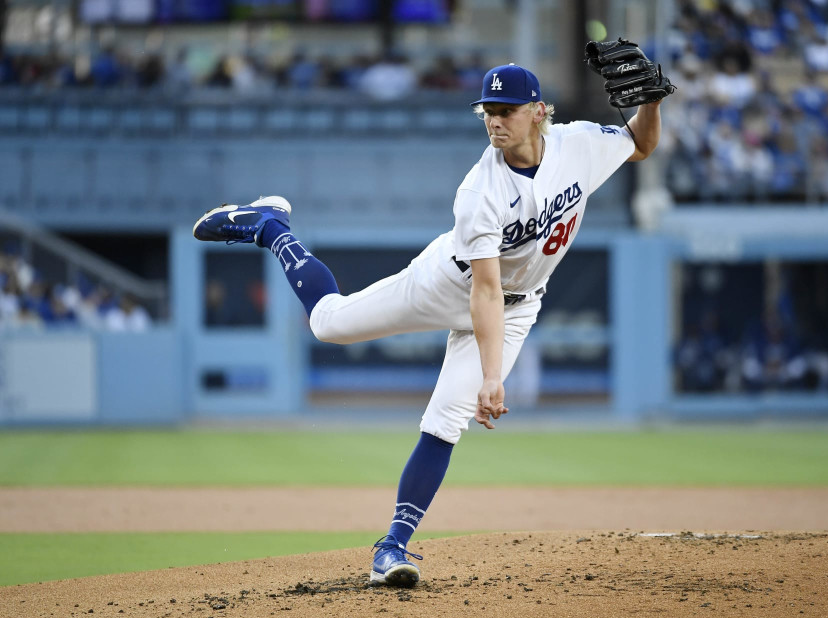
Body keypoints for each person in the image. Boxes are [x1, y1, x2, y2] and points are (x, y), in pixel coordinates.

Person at [193, 53, 665, 587]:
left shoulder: (578, 145)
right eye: (488, 110)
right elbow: (483, 291)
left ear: (538, 111)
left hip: (521, 303)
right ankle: (271, 227)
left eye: (507, 110)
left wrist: (651, 101)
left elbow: (642, 143)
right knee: (328, 324)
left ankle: (391, 548)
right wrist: (493, 377)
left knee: (445, 420)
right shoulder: (479, 191)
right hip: (449, 282)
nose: (494, 120)